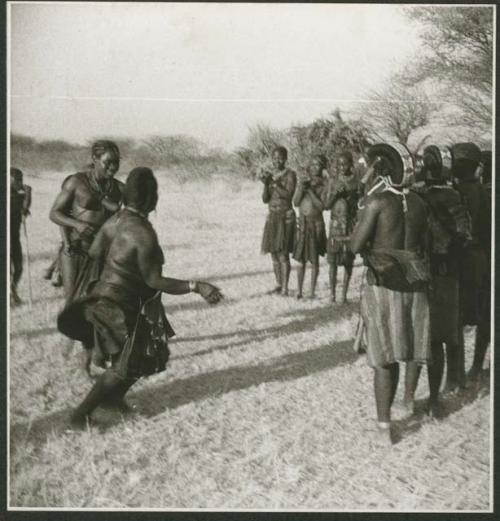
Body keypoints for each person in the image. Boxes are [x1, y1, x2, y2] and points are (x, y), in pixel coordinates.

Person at [58, 167, 223, 428]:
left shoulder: (114, 221)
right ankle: (81, 415)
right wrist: (196, 286)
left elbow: (94, 252)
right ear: (152, 200)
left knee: (147, 355)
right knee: (123, 366)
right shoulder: (143, 233)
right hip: (121, 306)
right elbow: (154, 280)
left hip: (108, 299)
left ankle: (113, 401)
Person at [350, 143, 431, 445]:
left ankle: (385, 427)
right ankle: (409, 400)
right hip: (416, 284)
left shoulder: (378, 202)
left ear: (379, 169)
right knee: (409, 347)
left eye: (368, 164)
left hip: (385, 285)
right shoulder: (420, 203)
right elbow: (422, 243)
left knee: (385, 358)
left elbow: (356, 246)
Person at [402, 145, 471, 417]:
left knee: (416, 338)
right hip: (445, 275)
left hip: (418, 275)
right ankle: (433, 402)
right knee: (439, 340)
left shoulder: (414, 196)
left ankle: (407, 397)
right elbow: (464, 236)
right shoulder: (454, 196)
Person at [49, 140, 124, 306]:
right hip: (75, 250)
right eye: (108, 162)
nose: (113, 167)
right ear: (94, 159)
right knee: (74, 304)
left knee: (100, 303)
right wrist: (77, 224)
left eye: (116, 162)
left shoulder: (119, 189)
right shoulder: (77, 182)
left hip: (102, 254)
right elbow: (54, 213)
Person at [451, 144, 491, 383]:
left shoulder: (451, 192)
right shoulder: (484, 194)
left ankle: (457, 374)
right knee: (483, 315)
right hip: (482, 259)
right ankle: (476, 365)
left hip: (457, 260)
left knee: (456, 318)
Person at [323, 151, 363, 303]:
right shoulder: (332, 182)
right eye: (339, 164)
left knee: (348, 260)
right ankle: (332, 294)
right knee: (333, 261)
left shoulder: (356, 182)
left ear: (351, 165)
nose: (341, 167)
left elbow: (360, 203)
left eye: (345, 164)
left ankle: (344, 295)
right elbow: (326, 206)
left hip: (350, 225)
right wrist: (335, 195)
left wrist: (352, 197)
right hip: (335, 226)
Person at [259, 146, 297, 296]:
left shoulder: (290, 175)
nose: (277, 161)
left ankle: (286, 288)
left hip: (285, 216)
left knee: (283, 253)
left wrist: (274, 183)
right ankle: (278, 285)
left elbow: (288, 195)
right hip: (272, 216)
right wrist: (265, 184)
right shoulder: (271, 176)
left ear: (286, 159)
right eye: (274, 158)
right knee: (273, 254)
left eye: (280, 158)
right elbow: (265, 199)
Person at [292, 154, 328, 299]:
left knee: (314, 260)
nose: (314, 167)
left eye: (317, 164)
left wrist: (310, 192)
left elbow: (322, 206)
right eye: (312, 164)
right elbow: (295, 203)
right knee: (300, 260)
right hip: (303, 224)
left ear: (322, 167)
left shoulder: (325, 185)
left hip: (316, 224)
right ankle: (299, 291)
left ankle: (312, 291)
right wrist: (301, 188)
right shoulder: (304, 183)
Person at [10, 167, 32, 306]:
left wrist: (28, 194)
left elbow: (24, 209)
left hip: (14, 239)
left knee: (18, 267)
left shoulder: (19, 196)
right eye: (17, 179)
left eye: (21, 179)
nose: (20, 182)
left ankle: (13, 289)